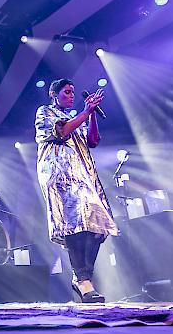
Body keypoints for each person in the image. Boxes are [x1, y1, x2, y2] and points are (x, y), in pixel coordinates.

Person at [35, 79, 119, 303]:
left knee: (98, 226)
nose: (71, 96)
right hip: (59, 174)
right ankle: (84, 281)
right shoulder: (45, 112)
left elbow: (93, 140)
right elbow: (62, 131)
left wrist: (91, 115)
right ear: (54, 94)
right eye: (67, 92)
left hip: (83, 175)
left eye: (73, 92)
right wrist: (85, 111)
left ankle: (82, 277)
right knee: (74, 226)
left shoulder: (79, 116)